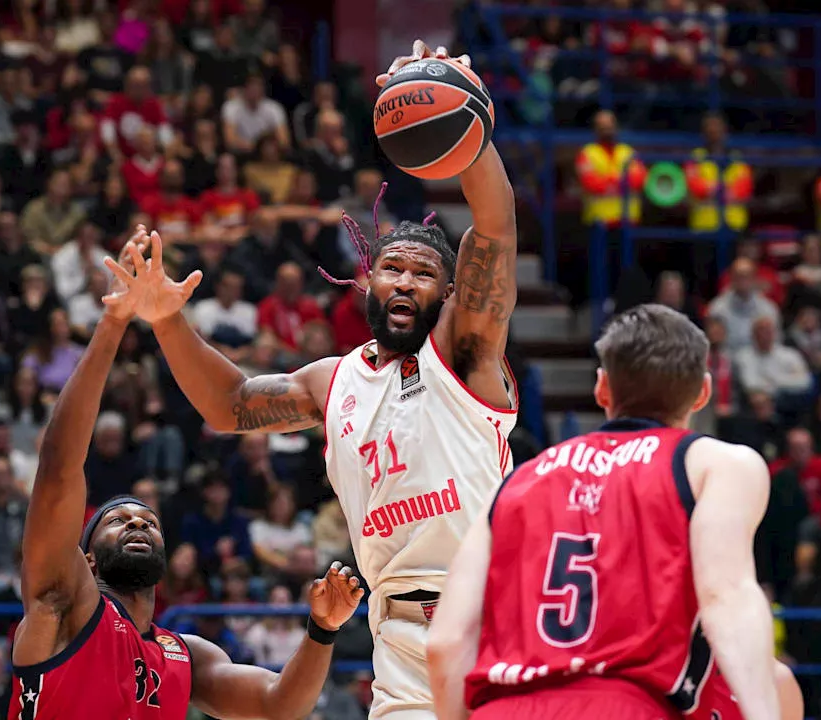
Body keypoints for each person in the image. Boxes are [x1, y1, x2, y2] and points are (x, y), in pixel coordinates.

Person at [103, 40, 519, 719]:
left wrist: (465, 115)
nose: (406, 281)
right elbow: (231, 405)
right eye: (393, 269)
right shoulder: (334, 383)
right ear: (368, 283)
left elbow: (495, 230)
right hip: (400, 641)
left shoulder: (466, 354)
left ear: (449, 296)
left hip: (494, 615)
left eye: (423, 273)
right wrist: (167, 320)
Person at [8, 228, 365, 720]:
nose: (139, 523)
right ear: (87, 561)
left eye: (148, 521)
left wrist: (323, 630)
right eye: (120, 520)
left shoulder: (184, 654)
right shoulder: (63, 602)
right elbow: (58, 469)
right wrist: (113, 323)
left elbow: (278, 705)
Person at [426, 304, 802, 720]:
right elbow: (726, 596)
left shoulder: (517, 481)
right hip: (623, 704)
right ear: (703, 392)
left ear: (602, 388)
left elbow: (446, 642)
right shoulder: (714, 463)